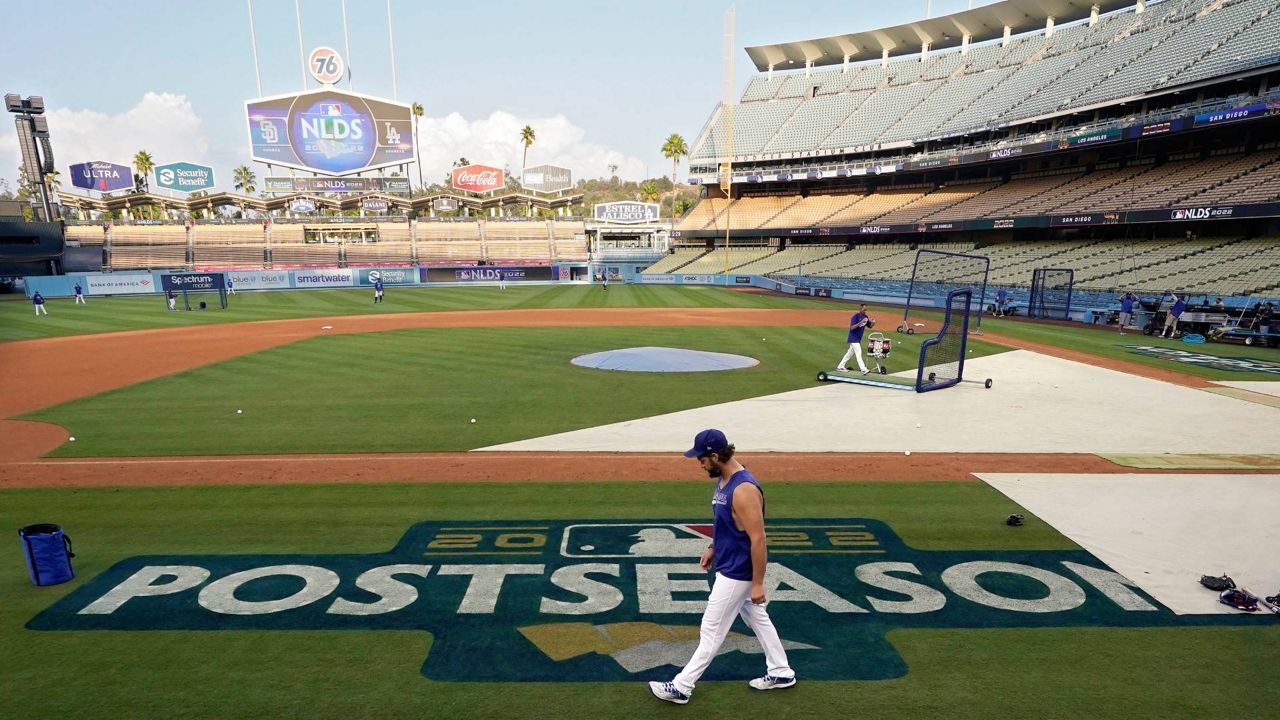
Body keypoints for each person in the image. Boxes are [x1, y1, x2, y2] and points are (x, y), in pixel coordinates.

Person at [648, 429, 796, 705]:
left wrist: (758, 583)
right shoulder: (725, 479)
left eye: (701, 459)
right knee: (758, 618)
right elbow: (727, 523)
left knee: (711, 630)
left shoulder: (743, 490)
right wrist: (714, 547)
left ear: (715, 456)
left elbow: (759, 539)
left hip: (738, 572)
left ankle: (682, 686)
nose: (700, 464)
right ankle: (781, 671)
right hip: (728, 563)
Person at [836, 303, 871, 374]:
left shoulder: (866, 317)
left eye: (866, 310)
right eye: (864, 310)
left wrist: (873, 322)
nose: (865, 311)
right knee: (858, 352)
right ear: (860, 309)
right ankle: (863, 369)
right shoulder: (855, 316)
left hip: (858, 339)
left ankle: (840, 366)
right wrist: (860, 322)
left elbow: (870, 326)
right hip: (853, 338)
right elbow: (852, 328)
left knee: (849, 354)